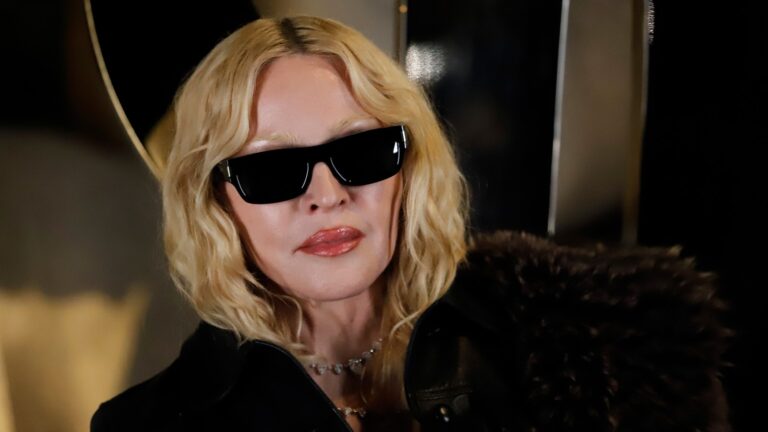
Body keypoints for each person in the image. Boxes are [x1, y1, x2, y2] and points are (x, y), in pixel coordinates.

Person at [91, 16, 730, 432]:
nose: (328, 196)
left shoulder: (598, 341)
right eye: (272, 169)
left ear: (409, 167)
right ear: (215, 200)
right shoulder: (149, 426)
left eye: (362, 151)